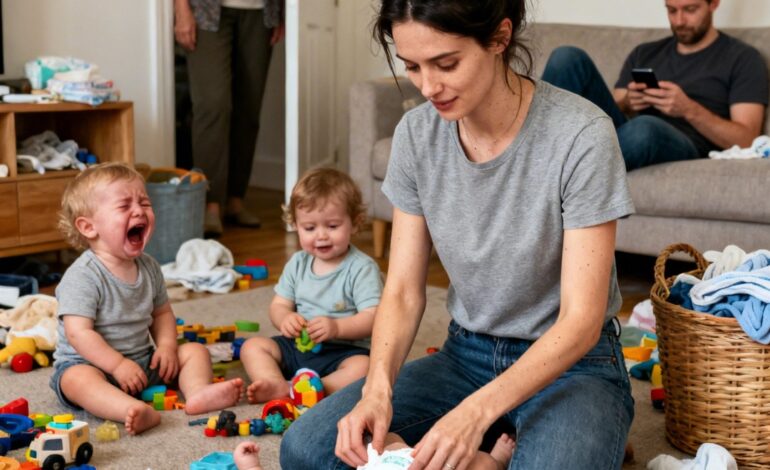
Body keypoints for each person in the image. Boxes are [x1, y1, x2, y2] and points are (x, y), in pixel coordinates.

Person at [280, 0, 637, 469]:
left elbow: (581, 321)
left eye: (446, 64)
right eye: (412, 66)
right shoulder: (415, 135)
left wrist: (473, 414)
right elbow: (404, 292)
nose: (428, 87)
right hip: (466, 355)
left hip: (574, 366)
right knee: (305, 450)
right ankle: (511, 438)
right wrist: (376, 390)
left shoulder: (582, 133)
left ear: (499, 38)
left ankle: (548, 430)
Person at [52, 162, 244, 435]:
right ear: (88, 226)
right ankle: (129, 409)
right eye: (124, 206)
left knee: (193, 351)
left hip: (143, 363)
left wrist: (166, 347)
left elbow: (162, 313)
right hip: (92, 365)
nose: (139, 210)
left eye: (144, 202)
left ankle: (199, 392)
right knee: (76, 381)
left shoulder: (150, 266)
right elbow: (78, 334)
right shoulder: (82, 276)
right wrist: (117, 365)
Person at [541, 0, 768, 170]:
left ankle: (558, 166)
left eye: (690, 9)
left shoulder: (743, 58)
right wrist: (628, 102)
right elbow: (610, 113)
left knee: (645, 128)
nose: (679, 21)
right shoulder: (645, 52)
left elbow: (747, 140)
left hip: (683, 144)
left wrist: (688, 109)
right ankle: (541, 157)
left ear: (713, 4)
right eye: (672, 10)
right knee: (567, 57)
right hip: (624, 136)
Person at [239, 168, 383, 404]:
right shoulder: (297, 263)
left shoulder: (361, 268)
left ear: (355, 223)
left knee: (364, 368)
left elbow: (374, 317)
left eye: (333, 226)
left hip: (343, 351)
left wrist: (336, 328)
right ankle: (275, 383)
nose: (321, 236)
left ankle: (317, 387)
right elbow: (279, 306)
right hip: (297, 347)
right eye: (310, 228)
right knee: (253, 346)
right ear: (296, 225)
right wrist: (285, 318)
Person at [174, 0, 285, 236]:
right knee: (212, 106)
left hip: (261, 13)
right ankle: (210, 203)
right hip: (207, 11)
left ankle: (236, 199)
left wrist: (282, 12)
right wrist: (181, 10)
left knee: (249, 109)